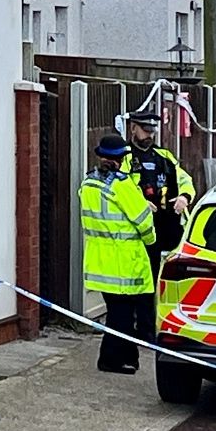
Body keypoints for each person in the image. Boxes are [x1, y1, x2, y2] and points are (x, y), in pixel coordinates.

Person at [79, 135, 156, 375]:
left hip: (99, 261)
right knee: (122, 315)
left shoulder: (88, 184)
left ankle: (128, 357)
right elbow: (143, 220)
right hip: (124, 262)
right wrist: (152, 240)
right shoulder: (122, 185)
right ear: (121, 159)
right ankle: (110, 360)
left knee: (117, 311)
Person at [121, 111, 196, 282]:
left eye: (152, 131)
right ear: (133, 128)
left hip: (170, 224)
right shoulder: (125, 156)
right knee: (148, 275)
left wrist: (184, 197)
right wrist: (140, 203)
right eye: (146, 130)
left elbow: (185, 179)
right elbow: (122, 187)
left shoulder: (164, 156)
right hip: (143, 226)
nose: (150, 135)